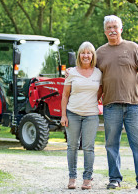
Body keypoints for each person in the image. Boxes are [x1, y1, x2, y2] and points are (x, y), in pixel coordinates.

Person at [96, 15, 138, 191]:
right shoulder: (100, 53)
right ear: (105, 31)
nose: (112, 30)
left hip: (133, 105)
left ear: (121, 29)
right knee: (111, 144)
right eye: (109, 27)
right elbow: (90, 74)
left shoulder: (133, 48)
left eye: (115, 26)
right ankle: (114, 179)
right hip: (110, 106)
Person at [61, 41, 103, 190]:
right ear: (79, 55)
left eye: (89, 52)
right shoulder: (71, 72)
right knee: (72, 146)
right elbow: (65, 95)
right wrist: (63, 115)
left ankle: (87, 179)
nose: (86, 55)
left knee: (88, 147)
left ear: (93, 55)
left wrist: (95, 101)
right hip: (72, 114)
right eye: (83, 53)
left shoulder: (99, 73)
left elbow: (101, 91)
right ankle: (72, 178)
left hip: (91, 115)